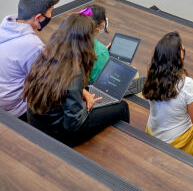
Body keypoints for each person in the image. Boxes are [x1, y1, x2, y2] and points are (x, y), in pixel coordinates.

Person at [22, 13, 130, 146]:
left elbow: (60, 86)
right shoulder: (74, 70)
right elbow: (73, 124)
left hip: (37, 122)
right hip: (59, 135)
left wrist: (82, 92)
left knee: (90, 92)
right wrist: (88, 108)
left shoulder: (47, 54)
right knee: (122, 106)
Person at [0, 0, 59, 117]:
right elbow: (49, 82)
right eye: (51, 11)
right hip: (12, 109)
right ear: (38, 17)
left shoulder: (6, 25)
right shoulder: (33, 45)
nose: (51, 15)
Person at [140, 31, 193, 156]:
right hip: (177, 144)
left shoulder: (152, 76)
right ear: (179, 55)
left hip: (152, 134)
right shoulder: (187, 84)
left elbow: (172, 104)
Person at [78, 4, 110, 83]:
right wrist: (102, 53)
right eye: (104, 20)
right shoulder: (101, 52)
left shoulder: (65, 39)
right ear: (99, 26)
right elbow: (102, 81)